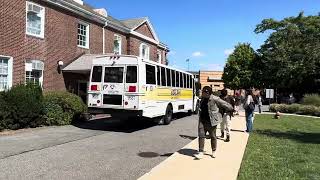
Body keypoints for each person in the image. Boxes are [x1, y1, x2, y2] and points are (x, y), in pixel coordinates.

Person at [195, 86, 234, 159]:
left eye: (203, 92)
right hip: (202, 120)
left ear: (208, 93)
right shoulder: (202, 98)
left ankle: (214, 151)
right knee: (201, 135)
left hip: (212, 121)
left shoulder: (214, 98)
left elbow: (225, 104)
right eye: (202, 92)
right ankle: (200, 152)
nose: (202, 93)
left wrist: (230, 109)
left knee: (213, 136)